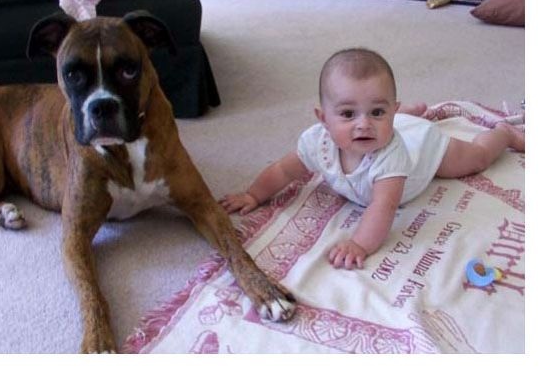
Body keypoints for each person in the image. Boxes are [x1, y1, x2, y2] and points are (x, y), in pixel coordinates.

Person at [219, 48, 525, 270]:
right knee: (388, 126)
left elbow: (384, 205)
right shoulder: (316, 142)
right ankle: (410, 114)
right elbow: (283, 170)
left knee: (476, 160)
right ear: (323, 118)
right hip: (399, 126)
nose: (363, 124)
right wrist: (253, 194)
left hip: (424, 150)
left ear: (391, 110)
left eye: (378, 111)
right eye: (347, 114)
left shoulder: (390, 157)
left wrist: (360, 244)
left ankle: (503, 133)